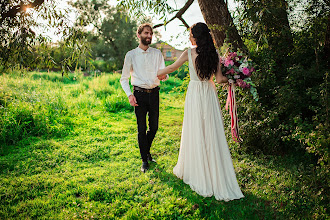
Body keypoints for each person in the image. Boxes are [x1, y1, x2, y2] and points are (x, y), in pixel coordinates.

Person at [157, 22, 244, 201]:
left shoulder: (189, 53)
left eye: (191, 35)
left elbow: (172, 68)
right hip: (209, 93)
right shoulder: (215, 54)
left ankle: (198, 170)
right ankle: (213, 171)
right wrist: (234, 77)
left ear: (197, 37)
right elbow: (219, 79)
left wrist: (157, 73)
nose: (189, 38)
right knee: (211, 131)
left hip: (195, 94)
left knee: (196, 130)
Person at [120, 23, 168, 173]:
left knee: (154, 127)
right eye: (146, 33)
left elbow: (164, 73)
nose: (149, 36)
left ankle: (146, 151)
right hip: (139, 94)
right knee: (142, 129)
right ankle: (144, 160)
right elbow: (124, 78)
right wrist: (129, 95)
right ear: (139, 35)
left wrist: (164, 76)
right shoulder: (131, 55)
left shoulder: (157, 54)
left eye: (151, 34)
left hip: (154, 94)